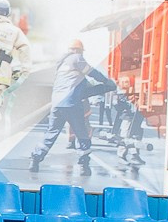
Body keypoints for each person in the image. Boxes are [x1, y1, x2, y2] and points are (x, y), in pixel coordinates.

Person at [30, 39, 117, 178]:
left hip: (57, 105)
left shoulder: (61, 65)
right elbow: (92, 72)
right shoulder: (76, 58)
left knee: (51, 134)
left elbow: (83, 87)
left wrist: (102, 88)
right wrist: (106, 82)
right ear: (78, 50)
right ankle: (84, 165)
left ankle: (36, 158)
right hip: (71, 104)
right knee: (82, 133)